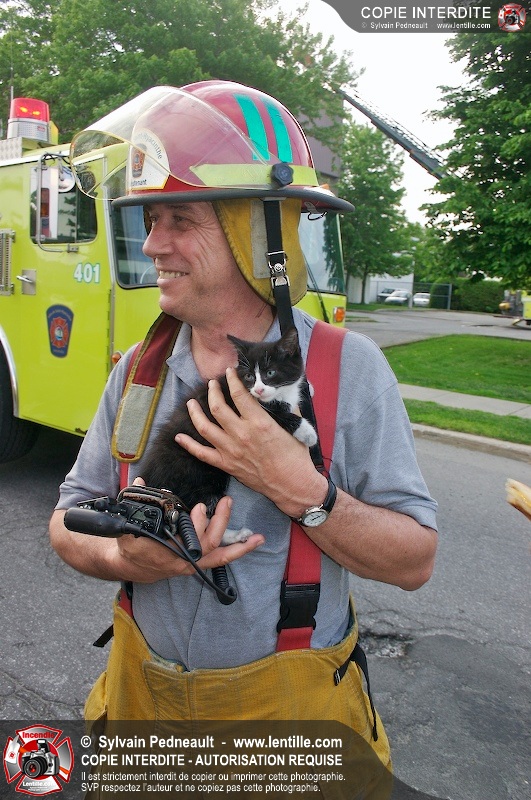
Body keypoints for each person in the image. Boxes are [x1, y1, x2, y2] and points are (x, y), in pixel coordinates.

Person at [49, 81, 437, 780]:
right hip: (141, 707)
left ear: (260, 237)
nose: (153, 243)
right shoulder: (139, 369)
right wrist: (122, 559)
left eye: (180, 219)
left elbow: (413, 562)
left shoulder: (348, 370)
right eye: (150, 218)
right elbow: (67, 519)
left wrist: (300, 490)